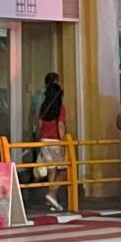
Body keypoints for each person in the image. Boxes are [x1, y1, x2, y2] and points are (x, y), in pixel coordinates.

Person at [35, 72, 68, 214]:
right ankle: (52, 193)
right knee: (64, 169)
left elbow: (40, 123)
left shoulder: (43, 106)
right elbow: (60, 125)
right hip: (56, 139)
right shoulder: (60, 107)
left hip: (44, 139)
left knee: (51, 169)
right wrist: (63, 141)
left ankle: (52, 201)